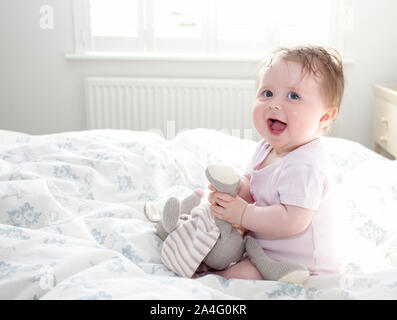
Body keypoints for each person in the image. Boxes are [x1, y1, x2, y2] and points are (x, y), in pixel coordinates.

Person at [208, 45, 345, 280]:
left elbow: (292, 220)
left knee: (234, 275)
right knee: (215, 249)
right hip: (263, 249)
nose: (274, 104)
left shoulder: (306, 165)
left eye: (293, 96)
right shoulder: (266, 147)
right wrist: (233, 194)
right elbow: (253, 185)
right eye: (267, 93)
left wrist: (242, 215)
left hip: (300, 264)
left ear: (324, 116)